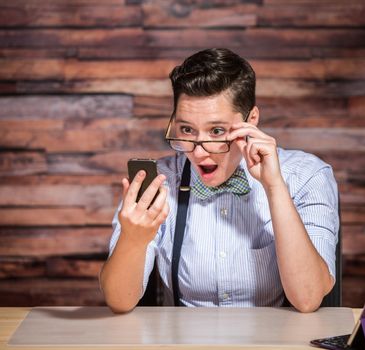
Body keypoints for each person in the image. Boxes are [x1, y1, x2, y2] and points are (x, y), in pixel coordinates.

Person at [99, 48, 339, 313]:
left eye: (217, 131)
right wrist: (133, 238)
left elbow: (308, 298)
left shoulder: (307, 176)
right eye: (187, 130)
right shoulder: (158, 184)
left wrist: (275, 188)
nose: (199, 152)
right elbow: (119, 301)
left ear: (252, 121)